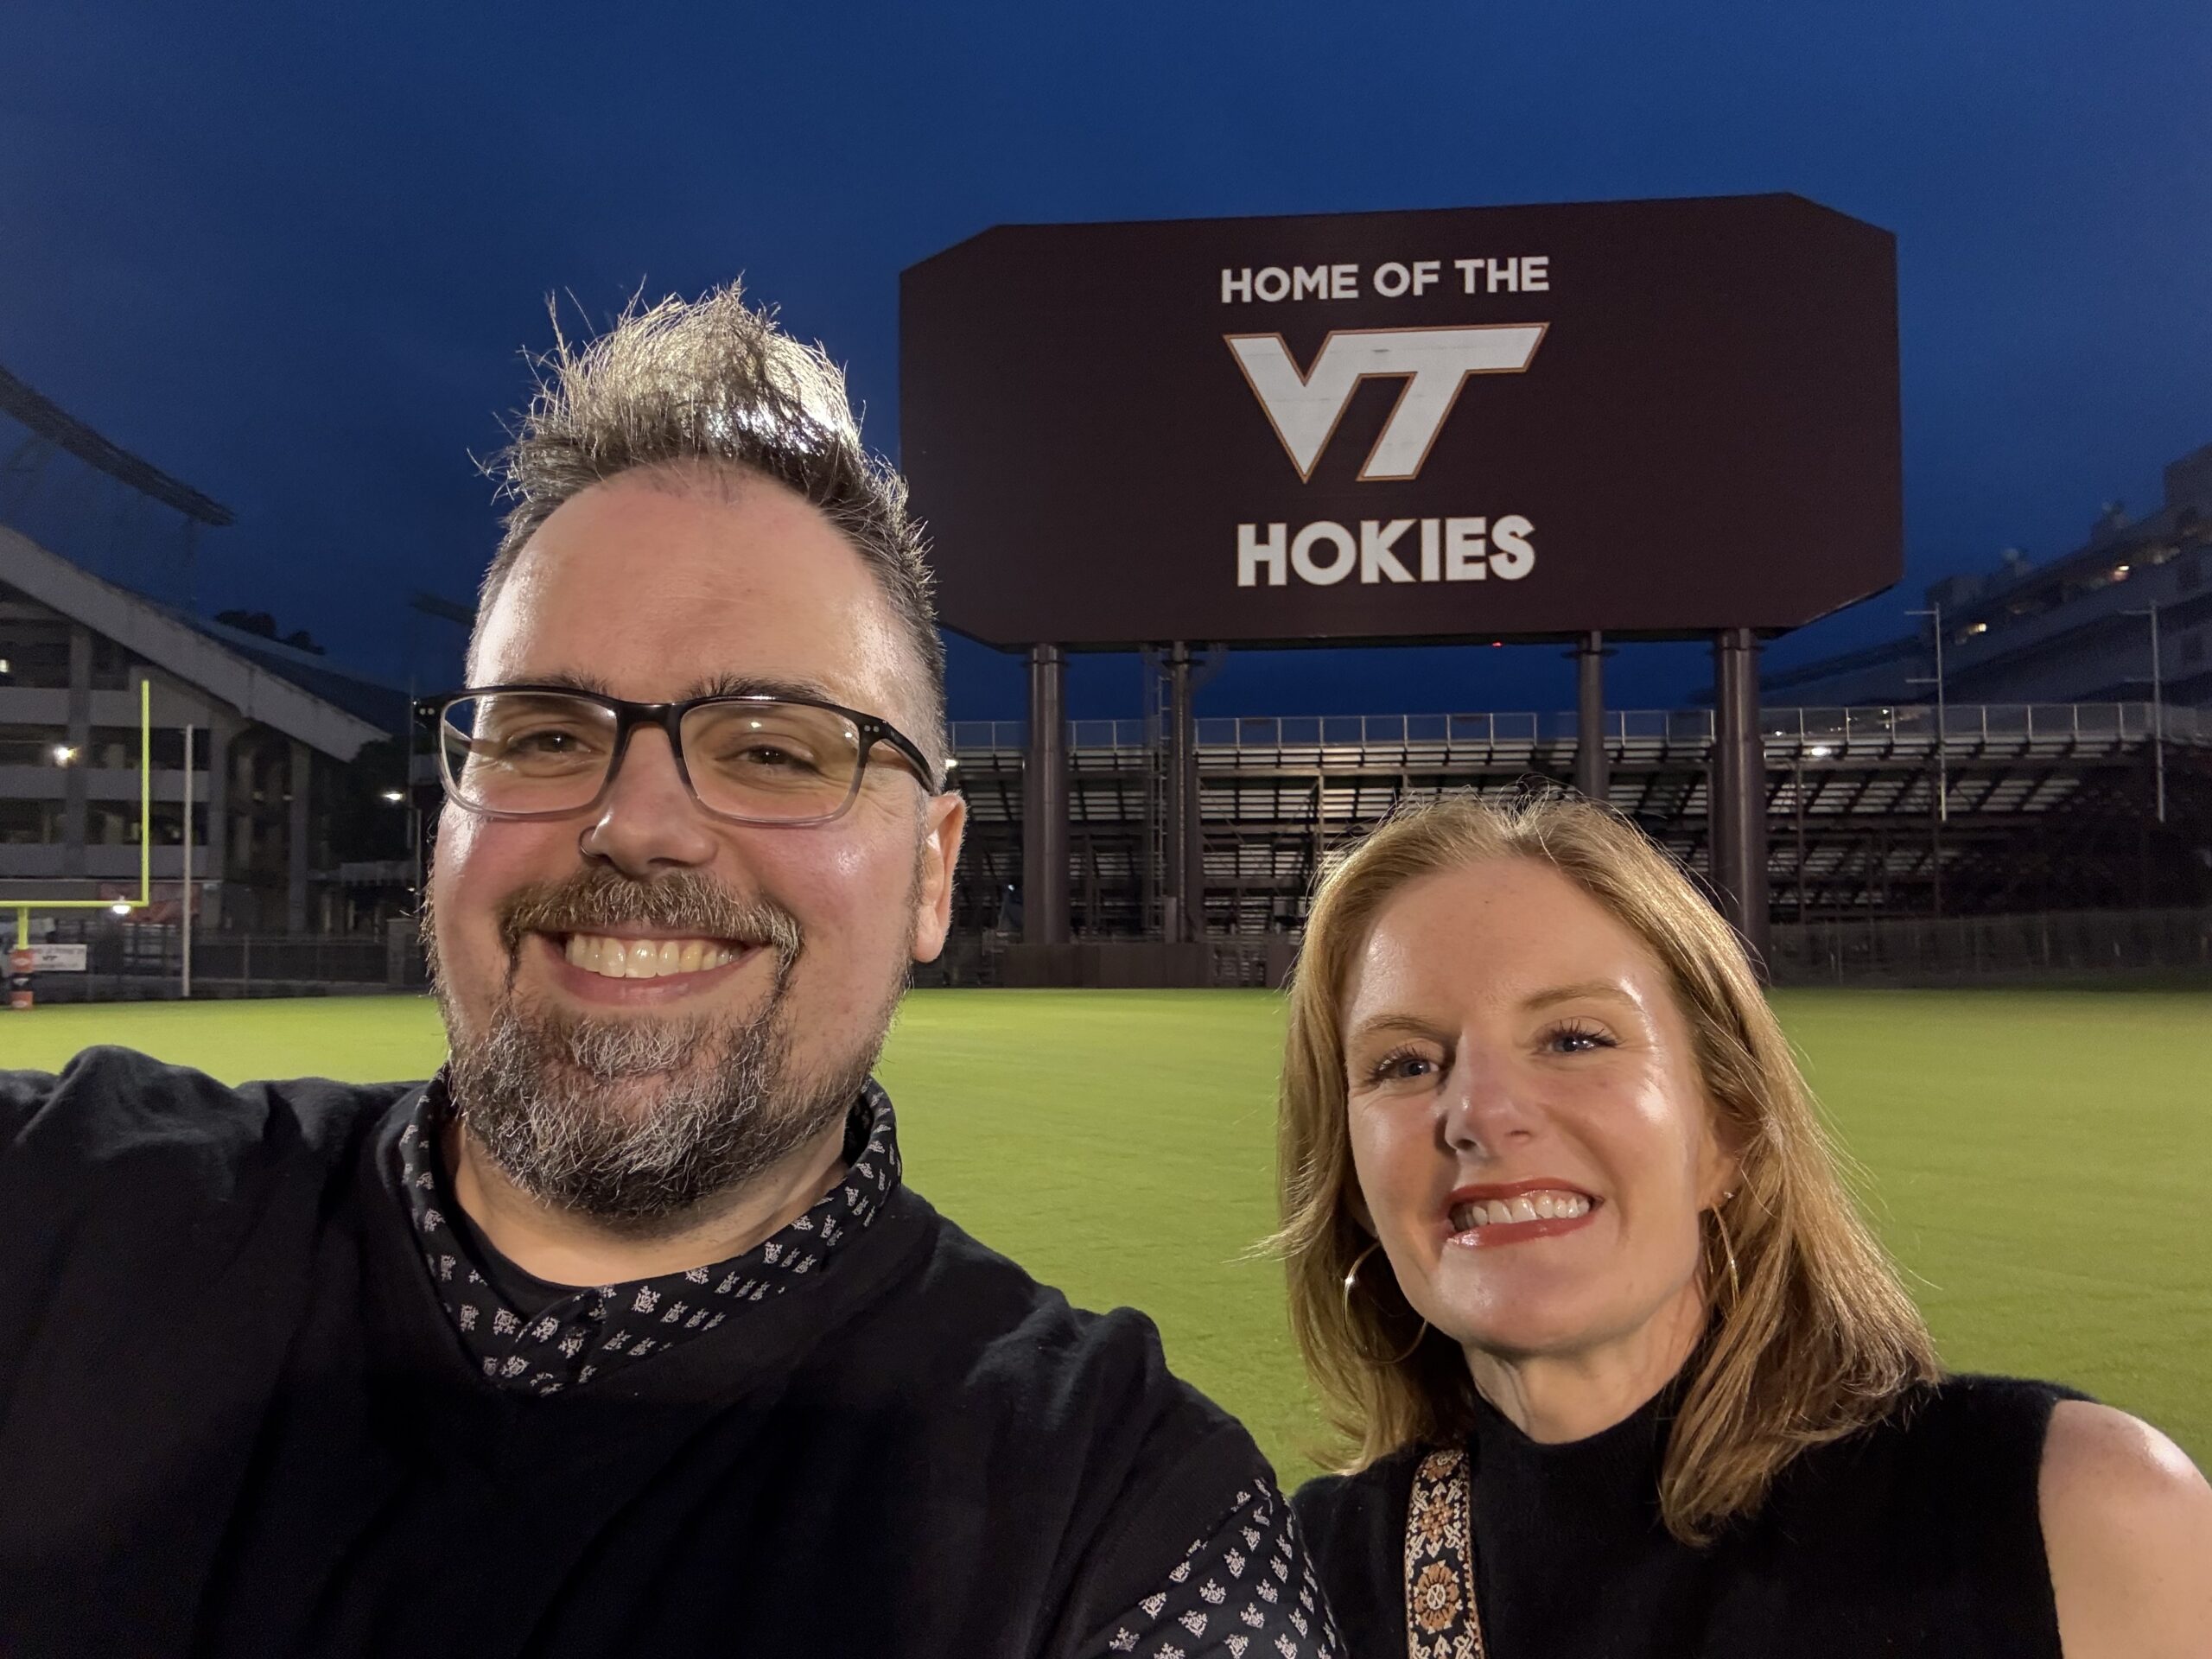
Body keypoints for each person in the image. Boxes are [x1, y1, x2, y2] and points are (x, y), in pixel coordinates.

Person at [0, 286, 1339, 1659]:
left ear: (933, 874)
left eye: (773, 748)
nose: (634, 822)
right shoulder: (61, 1205)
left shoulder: (1121, 1525)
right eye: (545, 734)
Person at [1276, 791, 2212, 1657]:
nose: (1480, 1113)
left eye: (1574, 1039)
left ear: (1727, 1129)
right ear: (1353, 1182)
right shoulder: (1308, 1582)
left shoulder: (2071, 1517)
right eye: (1404, 1064)